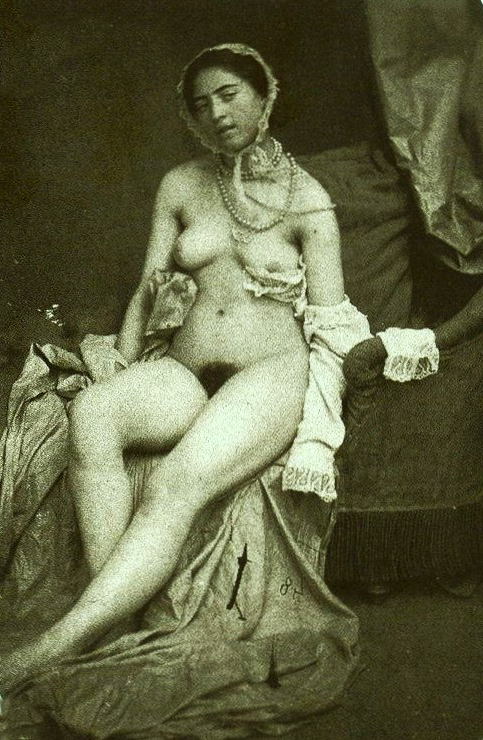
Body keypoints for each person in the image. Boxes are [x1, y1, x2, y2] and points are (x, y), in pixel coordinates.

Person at [0, 43, 373, 694]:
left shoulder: (309, 203)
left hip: (268, 375)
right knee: (93, 414)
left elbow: (331, 319)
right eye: (202, 105)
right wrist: (119, 366)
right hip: (184, 366)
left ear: (264, 96)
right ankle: (115, 619)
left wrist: (342, 394)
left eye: (230, 94)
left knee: (174, 484)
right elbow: (147, 290)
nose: (217, 113)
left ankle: (56, 645)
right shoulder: (179, 185)